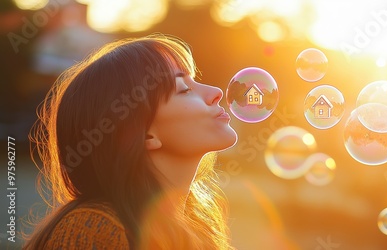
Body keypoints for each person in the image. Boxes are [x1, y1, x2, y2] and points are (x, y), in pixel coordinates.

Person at [23, 33, 238, 249]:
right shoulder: (94, 229)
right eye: (184, 89)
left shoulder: (199, 226)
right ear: (144, 134)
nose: (216, 92)